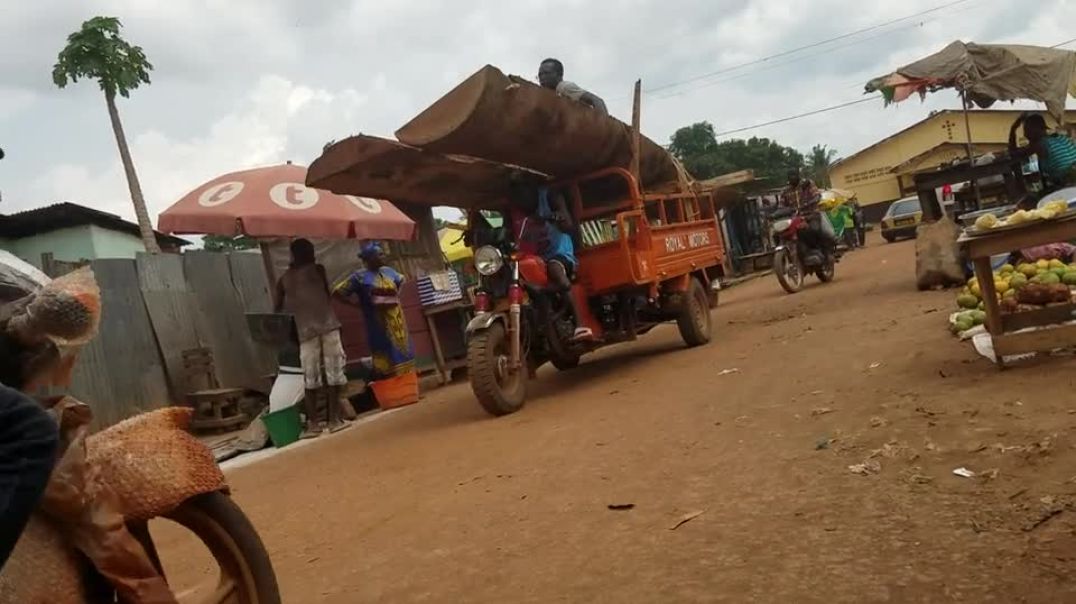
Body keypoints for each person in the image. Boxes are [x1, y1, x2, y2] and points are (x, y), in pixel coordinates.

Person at [274, 238, 349, 436]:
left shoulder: (284, 279)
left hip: (305, 331)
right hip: (328, 325)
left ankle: (313, 424)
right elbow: (326, 294)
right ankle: (334, 420)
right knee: (334, 372)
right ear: (308, 254)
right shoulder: (318, 270)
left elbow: (277, 309)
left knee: (310, 378)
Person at [512, 184, 593, 341]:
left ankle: (580, 325)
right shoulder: (519, 211)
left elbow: (568, 223)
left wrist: (557, 217)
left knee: (555, 270)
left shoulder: (550, 196)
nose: (521, 204)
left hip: (561, 253)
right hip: (536, 258)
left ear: (530, 191)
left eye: (522, 198)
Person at [335, 243, 415, 378]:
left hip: (398, 324)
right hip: (377, 325)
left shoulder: (389, 271)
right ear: (370, 258)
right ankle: (392, 390)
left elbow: (402, 280)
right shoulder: (359, 277)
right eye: (380, 254)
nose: (384, 256)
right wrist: (356, 305)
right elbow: (338, 292)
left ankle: (409, 387)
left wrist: (395, 296)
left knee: (404, 351)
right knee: (384, 354)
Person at [1009, 113, 1076, 192]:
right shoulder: (1060, 137)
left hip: (1066, 183)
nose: (1025, 134)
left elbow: (1013, 153)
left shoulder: (1039, 145)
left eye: (1026, 130)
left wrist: (1013, 129)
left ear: (1034, 131)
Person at [538, 58, 608, 116]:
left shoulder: (564, 87)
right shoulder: (550, 93)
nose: (542, 78)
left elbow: (597, 100)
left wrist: (604, 125)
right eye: (540, 75)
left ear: (559, 75)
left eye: (546, 73)